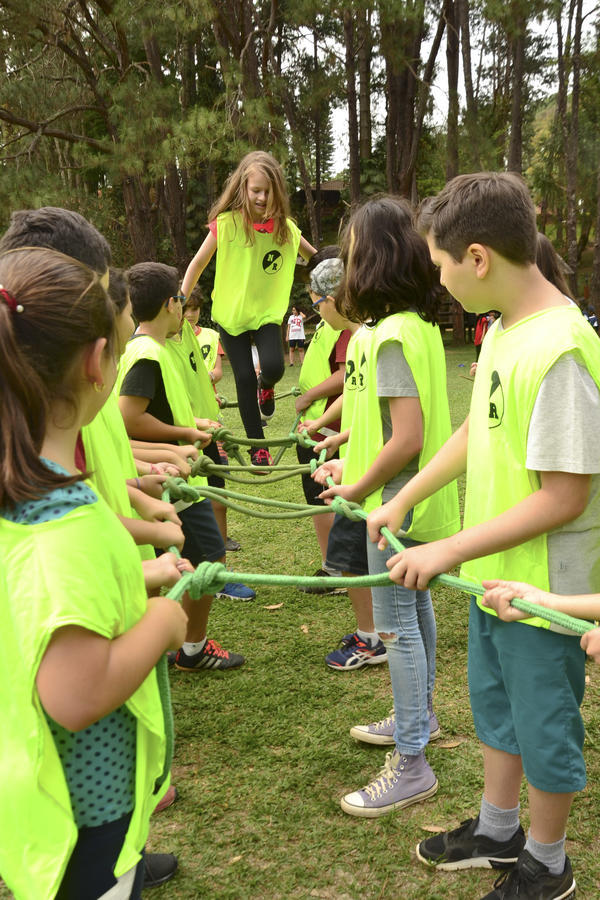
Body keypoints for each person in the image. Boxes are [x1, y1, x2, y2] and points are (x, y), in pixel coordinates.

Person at [368, 172, 600, 899]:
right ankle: (499, 830)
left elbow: (566, 497)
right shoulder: (502, 331)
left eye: (439, 265)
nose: (437, 281)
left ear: (477, 258)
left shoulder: (561, 347)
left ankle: (546, 862)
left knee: (544, 725)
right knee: (496, 706)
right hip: (494, 576)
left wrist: (449, 548)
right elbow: (477, 430)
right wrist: (404, 497)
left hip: (545, 588)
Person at [0, 247, 188, 900]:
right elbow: (76, 694)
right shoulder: (65, 524)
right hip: (85, 808)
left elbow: (45, 610)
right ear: (97, 362)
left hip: (30, 785)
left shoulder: (23, 497)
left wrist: (143, 577)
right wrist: (164, 622)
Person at [313, 197, 459, 817]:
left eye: (350, 255)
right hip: (408, 502)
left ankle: (411, 761)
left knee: (396, 625)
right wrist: (353, 461)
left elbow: (409, 437)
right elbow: (388, 431)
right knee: (414, 609)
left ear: (369, 261)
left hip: (397, 509)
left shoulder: (394, 336)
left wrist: (356, 487)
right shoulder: (412, 328)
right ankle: (416, 717)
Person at [118, 262, 248, 671]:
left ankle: (165, 645)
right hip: (167, 481)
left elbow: (154, 408)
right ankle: (189, 648)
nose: (182, 305)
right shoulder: (147, 352)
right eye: (179, 298)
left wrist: (192, 426)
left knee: (182, 559)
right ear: (169, 305)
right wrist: (180, 438)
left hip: (170, 474)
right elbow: (129, 417)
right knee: (208, 555)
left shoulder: (154, 348)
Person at [180, 150, 316, 462]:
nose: (262, 197)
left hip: (266, 313)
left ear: (277, 192)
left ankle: (264, 386)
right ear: (243, 189)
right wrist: (180, 298)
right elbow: (198, 263)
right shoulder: (225, 225)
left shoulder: (286, 230)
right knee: (241, 377)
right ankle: (259, 448)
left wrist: (341, 269)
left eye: (268, 191)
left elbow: (314, 257)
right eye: (256, 190)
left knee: (273, 367)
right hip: (231, 316)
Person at [295, 256, 353, 593]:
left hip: (327, 430)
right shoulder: (332, 326)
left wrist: (312, 405)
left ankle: (337, 571)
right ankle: (333, 567)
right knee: (317, 497)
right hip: (318, 425)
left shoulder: (352, 331)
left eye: (317, 302)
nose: (316, 309)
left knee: (327, 497)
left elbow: (347, 378)